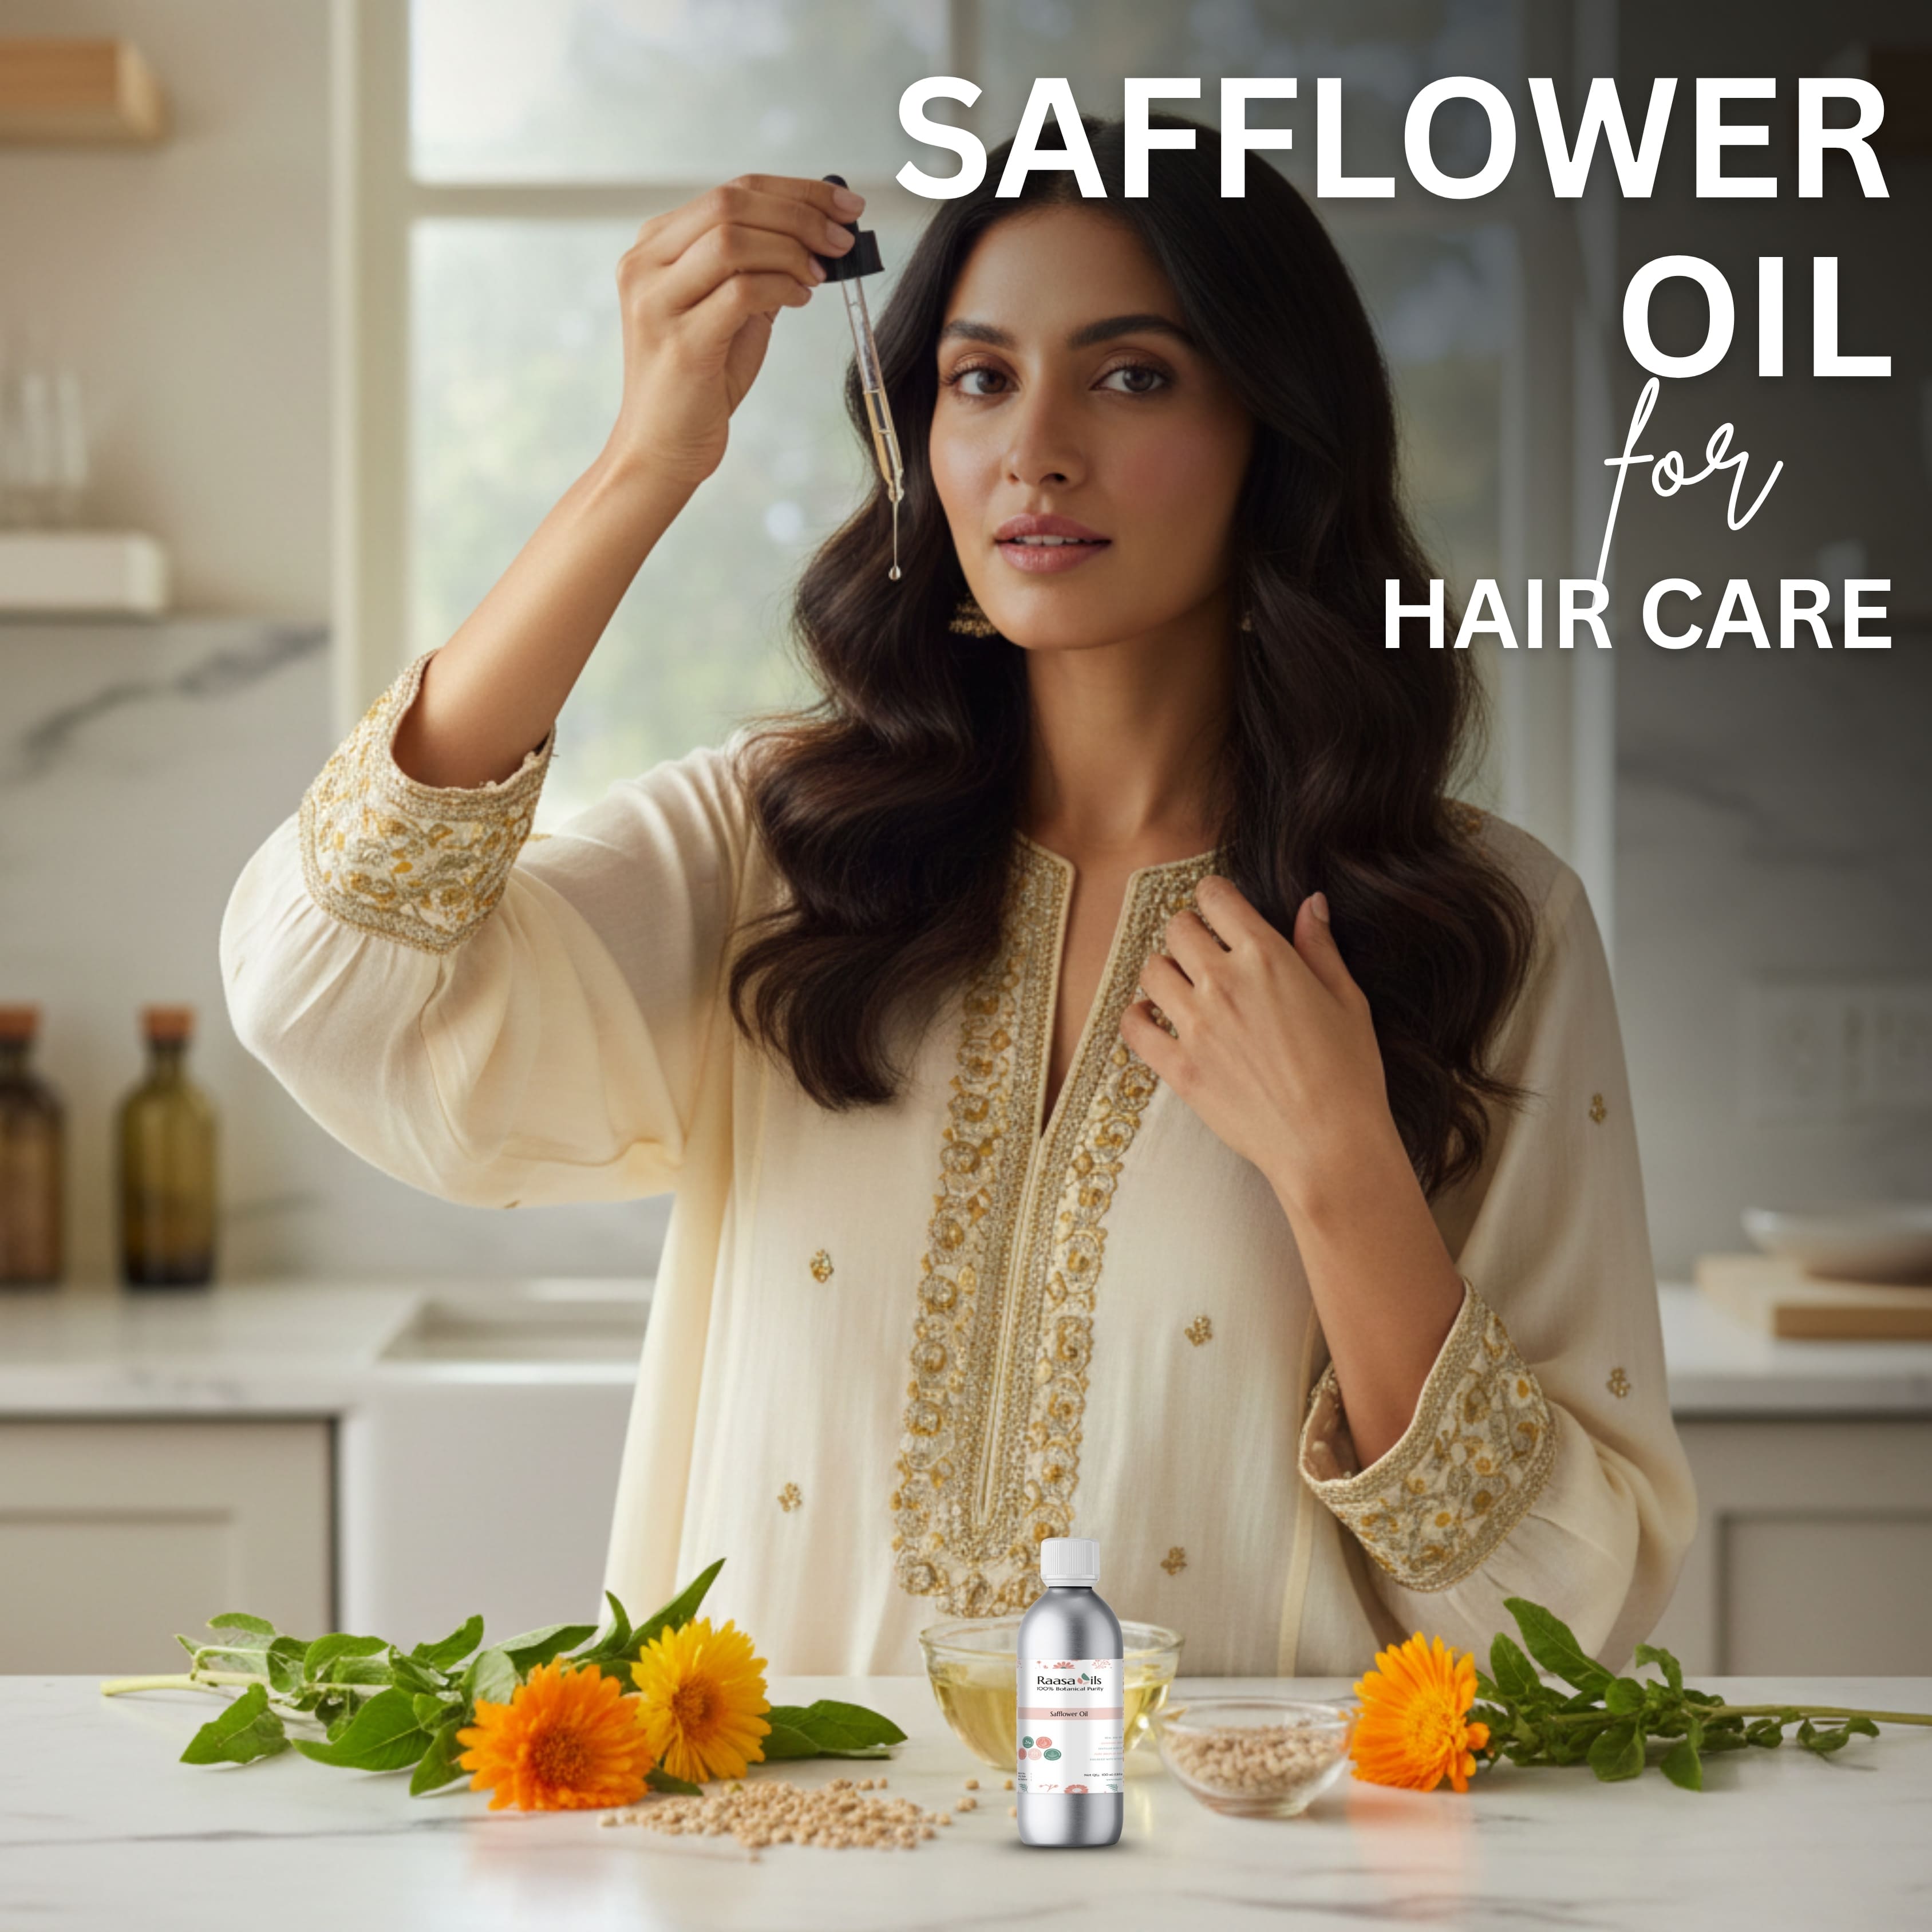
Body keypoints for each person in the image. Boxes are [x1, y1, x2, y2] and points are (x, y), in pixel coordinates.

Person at [221, 113, 1696, 1676]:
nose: (1033, 447)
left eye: (1132, 376)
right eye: (980, 378)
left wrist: (1341, 1171)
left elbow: (1561, 1628)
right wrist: (646, 463)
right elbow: (324, 996)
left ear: (1275, 432)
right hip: (780, 1828)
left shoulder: (1479, 924)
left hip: (1232, 1840)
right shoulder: (779, 849)